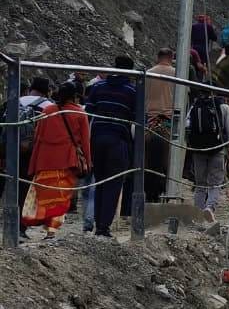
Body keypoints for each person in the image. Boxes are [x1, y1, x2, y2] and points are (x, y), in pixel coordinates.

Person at [24, 81, 90, 239]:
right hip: (67, 161)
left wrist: (34, 162)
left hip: (45, 160)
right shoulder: (80, 113)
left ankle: (36, 224)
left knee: (46, 195)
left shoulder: (48, 111)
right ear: (74, 96)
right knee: (61, 197)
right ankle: (51, 230)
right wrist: (88, 161)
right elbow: (85, 141)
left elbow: (38, 138)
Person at [84, 56, 139, 238]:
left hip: (97, 139)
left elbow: (89, 113)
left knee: (99, 181)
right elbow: (137, 119)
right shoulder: (132, 91)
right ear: (130, 71)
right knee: (113, 184)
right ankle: (103, 227)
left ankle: (97, 222)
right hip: (118, 140)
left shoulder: (98, 87)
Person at [3, 78, 54, 231]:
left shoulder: (15, 101)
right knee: (25, 186)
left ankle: (10, 223)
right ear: (47, 90)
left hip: (11, 149)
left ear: (31, 88)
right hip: (32, 151)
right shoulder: (48, 105)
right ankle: (20, 227)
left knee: (11, 183)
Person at [185, 87, 229, 220]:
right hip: (217, 149)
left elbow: (186, 125)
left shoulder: (195, 105)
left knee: (200, 183)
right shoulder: (223, 106)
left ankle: (198, 213)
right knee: (215, 182)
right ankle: (210, 208)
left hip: (198, 149)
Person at [143, 48, 177, 203]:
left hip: (149, 122)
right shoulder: (177, 74)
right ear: (172, 57)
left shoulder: (148, 73)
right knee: (173, 161)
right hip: (169, 123)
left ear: (158, 57)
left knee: (143, 158)